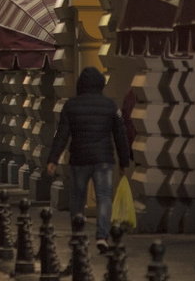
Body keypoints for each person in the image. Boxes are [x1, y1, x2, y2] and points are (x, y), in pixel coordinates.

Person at [45, 66, 131, 253]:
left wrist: (53, 159)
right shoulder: (110, 105)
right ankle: (102, 236)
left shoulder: (71, 105)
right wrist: (125, 162)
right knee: (104, 197)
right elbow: (120, 135)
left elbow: (62, 135)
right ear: (100, 84)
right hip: (104, 159)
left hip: (79, 158)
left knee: (77, 197)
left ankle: (78, 233)